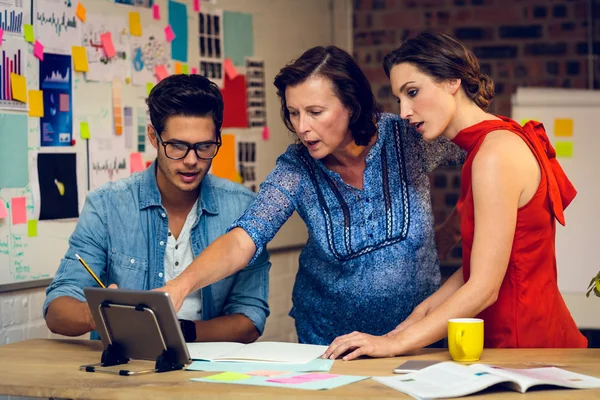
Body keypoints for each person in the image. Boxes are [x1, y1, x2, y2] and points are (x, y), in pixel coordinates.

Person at [156, 46, 465, 345]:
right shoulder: (297, 167)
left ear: (351, 105)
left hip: (419, 336)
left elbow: (486, 158)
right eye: (293, 113)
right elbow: (243, 239)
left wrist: (452, 231)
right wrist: (181, 284)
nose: (302, 127)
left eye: (315, 112)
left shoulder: (408, 137)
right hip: (329, 345)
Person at [324, 32, 587, 361]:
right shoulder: (491, 145)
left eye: (413, 92)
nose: (404, 111)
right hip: (517, 341)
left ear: (452, 81)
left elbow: (484, 287)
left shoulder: (494, 155)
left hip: (525, 349)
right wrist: (405, 327)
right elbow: (476, 269)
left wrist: (394, 345)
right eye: (399, 98)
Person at [43, 74, 271, 343]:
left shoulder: (243, 208)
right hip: (124, 370)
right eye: (177, 146)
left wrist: (175, 331)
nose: (191, 161)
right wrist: (98, 315)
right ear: (153, 137)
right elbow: (56, 310)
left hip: (209, 373)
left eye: (205, 147)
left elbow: (250, 319)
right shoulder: (107, 205)